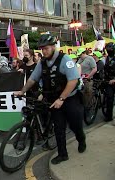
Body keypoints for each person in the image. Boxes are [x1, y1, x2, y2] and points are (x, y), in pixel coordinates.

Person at [15, 34, 86, 165]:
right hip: (54, 99)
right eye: (42, 49)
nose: (44, 51)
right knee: (59, 128)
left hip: (70, 98)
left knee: (75, 125)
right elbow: (32, 79)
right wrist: (22, 91)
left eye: (46, 48)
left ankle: (81, 140)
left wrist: (61, 98)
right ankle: (62, 154)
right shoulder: (42, 63)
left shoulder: (65, 59)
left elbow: (73, 80)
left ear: (53, 46)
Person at [103, 42, 115, 123]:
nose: (109, 51)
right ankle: (109, 116)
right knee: (109, 99)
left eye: (110, 49)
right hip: (108, 82)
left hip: (113, 80)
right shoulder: (106, 59)